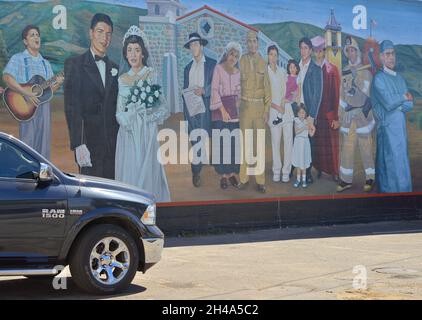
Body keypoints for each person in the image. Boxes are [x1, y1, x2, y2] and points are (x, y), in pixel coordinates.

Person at [115, 26, 170, 202]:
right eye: (129, 50)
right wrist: (128, 119)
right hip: (129, 134)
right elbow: (118, 112)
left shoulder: (151, 75)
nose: (133, 54)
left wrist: (146, 117)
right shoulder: (122, 79)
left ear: (143, 54)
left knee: (146, 173)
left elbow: (164, 108)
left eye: (137, 50)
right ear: (125, 53)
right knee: (131, 172)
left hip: (146, 133)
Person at [64, 13, 119, 179]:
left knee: (113, 192)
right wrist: (79, 144)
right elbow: (72, 108)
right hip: (88, 146)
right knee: (91, 195)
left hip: (113, 146)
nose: (104, 38)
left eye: (108, 34)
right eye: (100, 32)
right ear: (91, 33)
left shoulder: (114, 68)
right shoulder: (74, 64)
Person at [2, 25, 63, 159]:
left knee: (43, 146)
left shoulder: (45, 63)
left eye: (37, 35)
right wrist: (25, 93)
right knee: (27, 144)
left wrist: (58, 82)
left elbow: (48, 91)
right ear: (25, 41)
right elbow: (7, 77)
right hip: (25, 106)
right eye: (32, 35)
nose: (36, 37)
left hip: (43, 108)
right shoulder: (18, 59)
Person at [371, 40, 413, 193]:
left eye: (393, 54)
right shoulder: (378, 79)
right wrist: (402, 97)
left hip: (401, 130)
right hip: (387, 131)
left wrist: (398, 102)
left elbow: (410, 105)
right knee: (389, 168)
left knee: (402, 164)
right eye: (387, 54)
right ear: (381, 57)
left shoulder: (400, 79)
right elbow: (388, 103)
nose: (391, 57)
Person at [338, 36, 375, 192]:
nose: (351, 53)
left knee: (366, 148)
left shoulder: (365, 71)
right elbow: (342, 96)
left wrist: (356, 77)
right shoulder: (344, 71)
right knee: (347, 149)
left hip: (363, 115)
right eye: (348, 51)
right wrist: (341, 115)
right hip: (349, 117)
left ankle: (370, 178)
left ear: (357, 52)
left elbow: (368, 92)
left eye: (353, 50)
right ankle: (346, 180)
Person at [238, 30, 272, 193]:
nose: (252, 44)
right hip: (244, 108)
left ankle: (260, 180)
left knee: (259, 145)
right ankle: (243, 178)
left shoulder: (263, 62)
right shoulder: (241, 61)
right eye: (249, 41)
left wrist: (266, 111)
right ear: (247, 43)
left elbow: (267, 89)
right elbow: (237, 85)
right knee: (245, 145)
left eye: (254, 41)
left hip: (259, 109)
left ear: (258, 44)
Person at [182, 33, 217, 187]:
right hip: (191, 107)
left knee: (206, 136)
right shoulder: (187, 68)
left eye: (196, 44)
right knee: (194, 137)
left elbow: (216, 86)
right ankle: (196, 171)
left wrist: (204, 90)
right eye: (191, 45)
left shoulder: (211, 64)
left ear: (201, 46)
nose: (194, 47)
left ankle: (214, 162)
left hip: (206, 107)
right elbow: (185, 89)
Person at [210, 42, 242, 190]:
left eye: (236, 56)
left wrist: (239, 102)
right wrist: (222, 110)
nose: (233, 58)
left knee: (233, 144)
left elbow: (239, 92)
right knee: (221, 143)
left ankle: (231, 174)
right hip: (220, 111)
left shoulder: (238, 72)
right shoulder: (218, 69)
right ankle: (223, 176)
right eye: (231, 54)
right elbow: (215, 90)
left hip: (234, 112)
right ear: (226, 53)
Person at [310, 36, 340, 181]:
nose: (318, 54)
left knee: (331, 146)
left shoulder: (332, 70)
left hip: (329, 114)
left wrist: (335, 117)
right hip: (317, 114)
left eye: (320, 51)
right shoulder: (313, 69)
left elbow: (336, 94)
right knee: (319, 145)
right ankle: (320, 169)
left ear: (324, 51)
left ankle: (334, 172)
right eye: (315, 51)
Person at [267, 46, 294, 184]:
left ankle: (286, 171)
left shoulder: (283, 71)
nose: (273, 57)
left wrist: (288, 100)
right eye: (271, 54)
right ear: (268, 56)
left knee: (288, 142)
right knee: (275, 143)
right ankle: (276, 170)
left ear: (277, 57)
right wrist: (277, 106)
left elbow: (290, 90)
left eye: (275, 54)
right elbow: (265, 96)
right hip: (273, 112)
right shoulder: (265, 73)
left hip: (287, 111)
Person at [297, 37, 323, 184]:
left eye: (306, 48)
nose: (303, 51)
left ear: (311, 51)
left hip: (309, 113)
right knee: (298, 142)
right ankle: (298, 170)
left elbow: (317, 94)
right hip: (297, 111)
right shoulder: (295, 67)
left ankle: (307, 173)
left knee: (308, 145)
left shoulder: (316, 69)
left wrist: (312, 116)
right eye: (301, 47)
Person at [292, 104, 315, 188]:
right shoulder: (296, 121)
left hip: (305, 143)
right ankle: (298, 180)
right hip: (298, 143)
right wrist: (304, 128)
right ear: (297, 113)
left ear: (305, 114)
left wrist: (313, 129)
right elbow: (296, 132)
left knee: (304, 163)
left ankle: (304, 180)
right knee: (299, 163)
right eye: (300, 112)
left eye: (303, 113)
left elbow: (311, 134)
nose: (301, 114)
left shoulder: (307, 122)